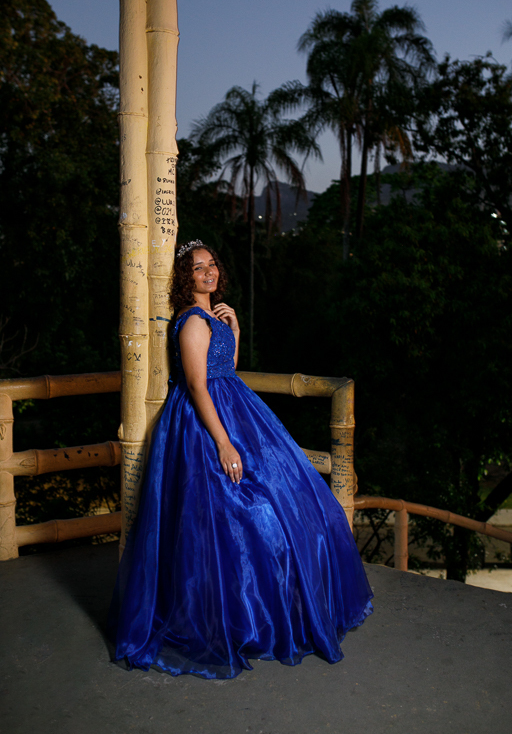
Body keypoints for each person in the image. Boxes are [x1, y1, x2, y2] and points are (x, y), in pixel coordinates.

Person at [108, 240, 373, 679]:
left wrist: (233, 328)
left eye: (212, 265)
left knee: (296, 498)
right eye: (198, 268)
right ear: (185, 278)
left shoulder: (212, 317)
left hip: (235, 406)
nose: (208, 272)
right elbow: (198, 386)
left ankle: (270, 609)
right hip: (206, 423)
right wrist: (224, 443)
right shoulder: (192, 322)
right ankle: (238, 618)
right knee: (239, 513)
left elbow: (225, 368)